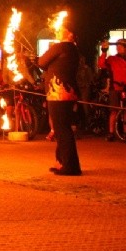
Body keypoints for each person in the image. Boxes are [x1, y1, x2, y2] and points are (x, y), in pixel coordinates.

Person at [37, 19, 82, 175]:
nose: (57, 30)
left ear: (70, 34)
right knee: (63, 128)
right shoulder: (73, 49)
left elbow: (41, 62)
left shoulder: (61, 46)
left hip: (59, 93)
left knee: (62, 129)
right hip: (68, 92)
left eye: (62, 28)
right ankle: (61, 162)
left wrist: (36, 59)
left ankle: (71, 167)